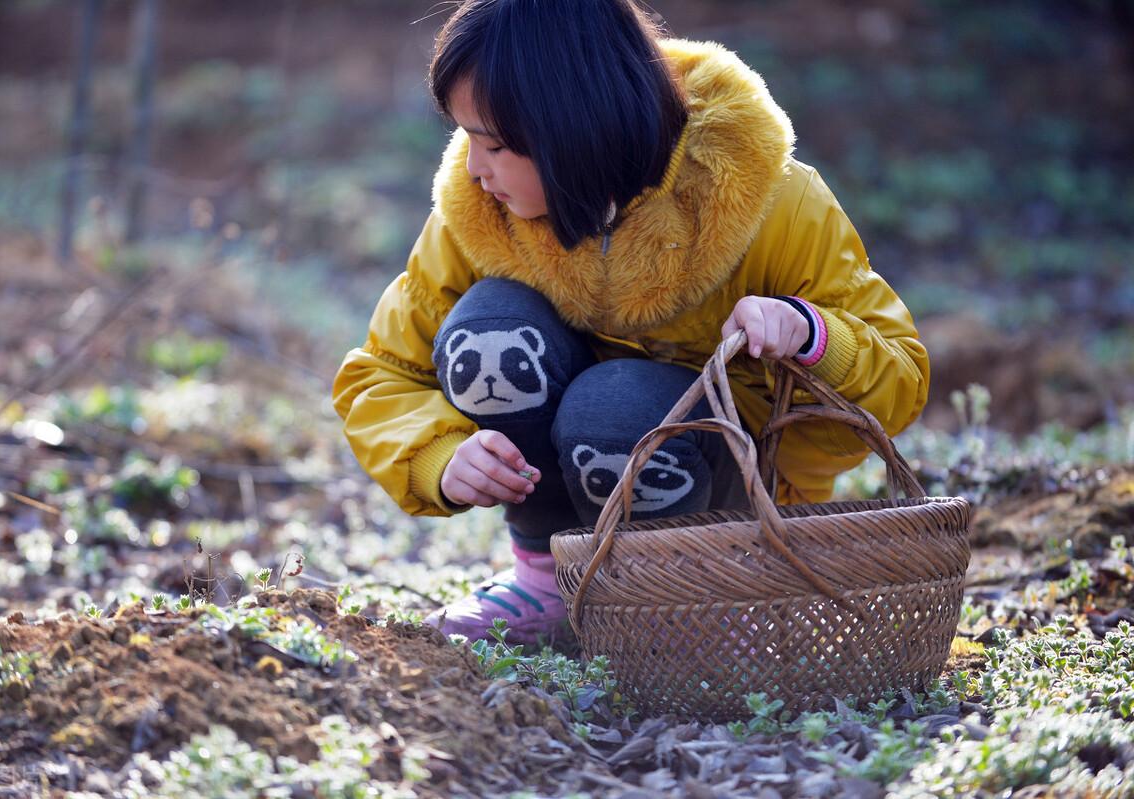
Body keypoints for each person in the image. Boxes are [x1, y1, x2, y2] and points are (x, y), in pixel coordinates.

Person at [332, 0, 929, 646]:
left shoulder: (772, 201)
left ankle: (675, 606)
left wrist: (810, 332)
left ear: (573, 129)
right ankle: (547, 582)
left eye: (496, 145)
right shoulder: (478, 210)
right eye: (467, 136)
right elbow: (381, 372)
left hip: (730, 489)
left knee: (613, 410)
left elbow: (901, 376)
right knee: (491, 331)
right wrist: (439, 455)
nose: (475, 167)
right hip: (575, 470)